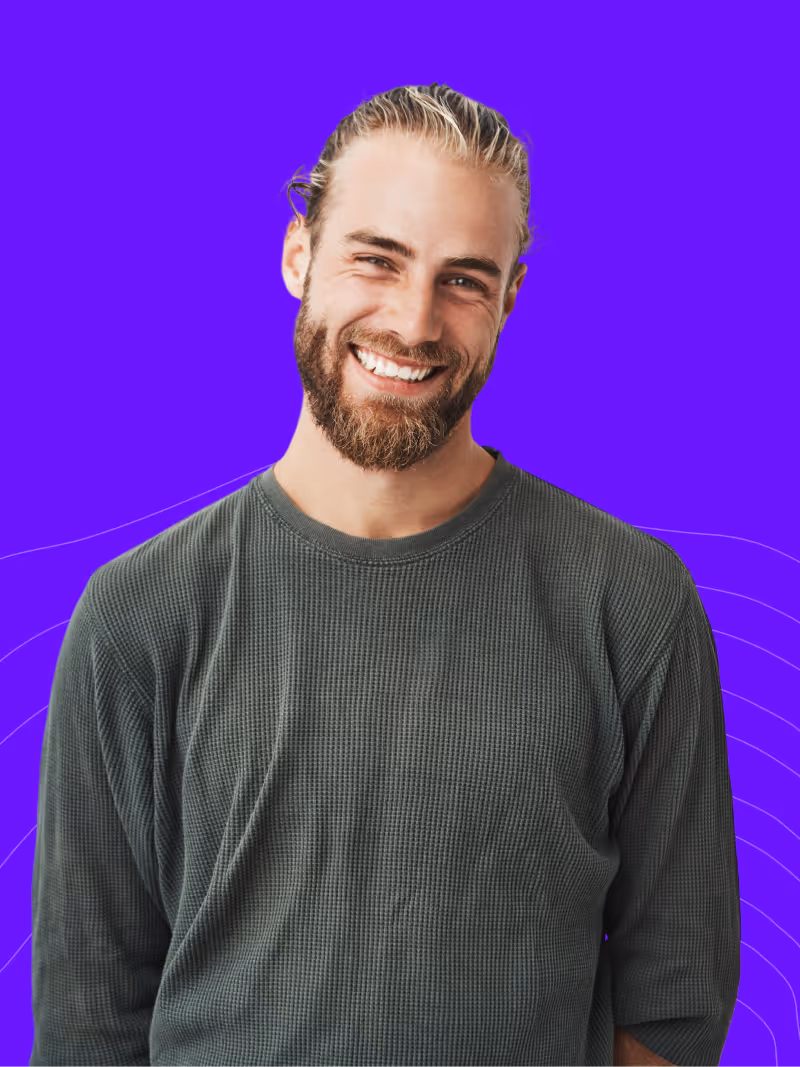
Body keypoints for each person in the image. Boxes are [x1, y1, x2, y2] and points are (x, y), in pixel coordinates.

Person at [30, 83, 740, 1066]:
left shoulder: (630, 600)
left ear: (510, 299)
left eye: (463, 279)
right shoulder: (136, 618)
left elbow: (673, 1001)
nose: (411, 322)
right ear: (297, 253)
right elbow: (87, 1026)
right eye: (376, 258)